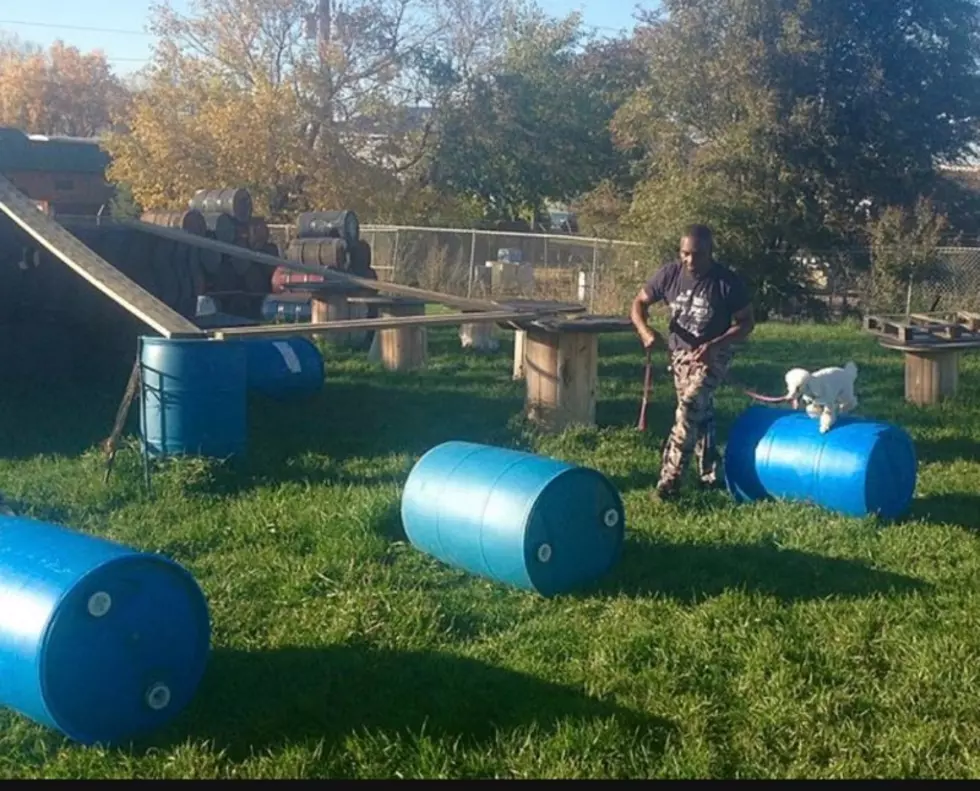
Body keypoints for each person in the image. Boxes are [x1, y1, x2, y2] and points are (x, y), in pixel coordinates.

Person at [629, 224, 755, 500]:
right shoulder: (669, 274)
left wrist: (715, 345)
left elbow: (746, 323)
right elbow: (639, 303)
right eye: (685, 253)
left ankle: (669, 483)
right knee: (701, 413)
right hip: (680, 356)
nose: (690, 260)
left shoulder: (726, 282)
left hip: (714, 356)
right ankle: (711, 474)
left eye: (697, 254)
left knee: (687, 410)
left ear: (710, 253)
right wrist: (645, 331)